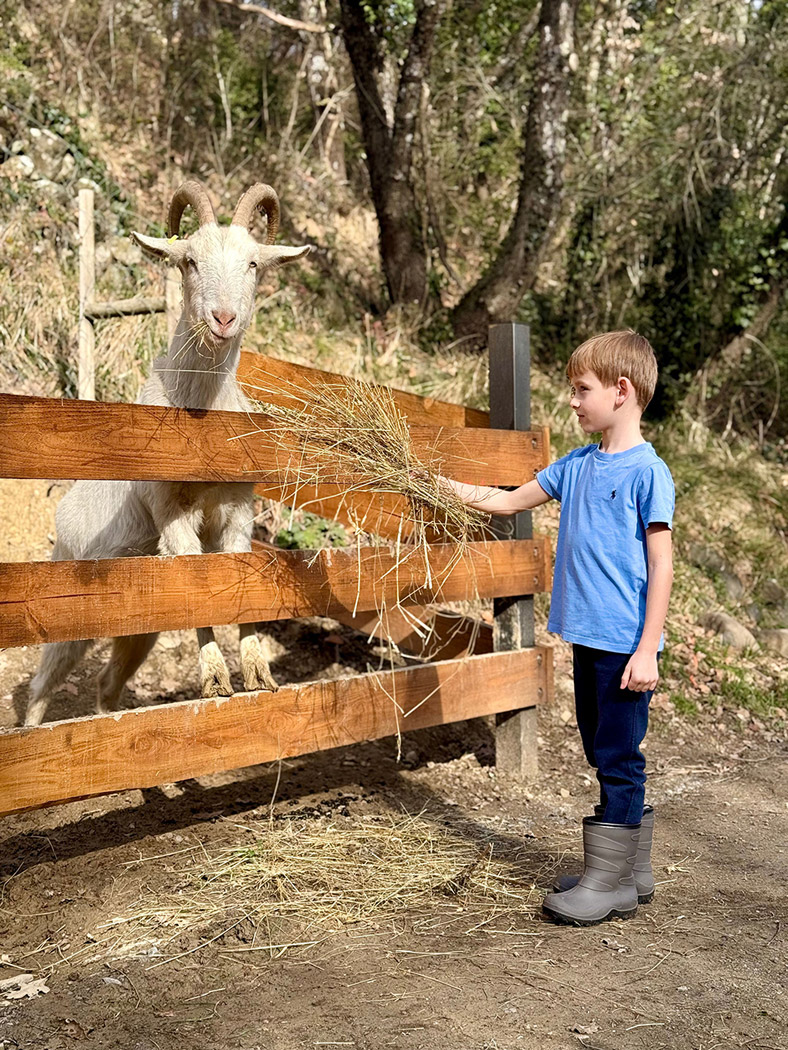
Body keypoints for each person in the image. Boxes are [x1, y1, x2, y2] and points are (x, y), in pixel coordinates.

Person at [441, 330, 674, 926]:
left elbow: (661, 564)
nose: (572, 400)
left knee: (617, 755)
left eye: (582, 389)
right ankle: (629, 871)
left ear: (621, 391)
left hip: (626, 645)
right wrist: (439, 486)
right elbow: (506, 502)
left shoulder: (649, 473)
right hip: (589, 639)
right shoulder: (576, 466)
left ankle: (609, 883)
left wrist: (648, 647)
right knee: (601, 747)